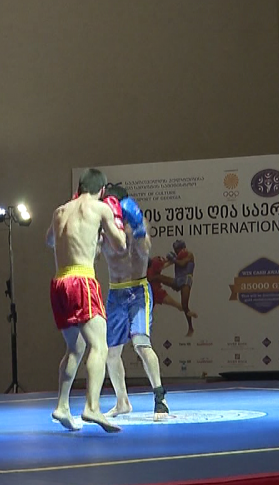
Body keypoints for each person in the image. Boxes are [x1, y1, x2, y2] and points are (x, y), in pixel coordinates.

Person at [45, 168, 127, 432]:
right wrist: (115, 219)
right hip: (82, 281)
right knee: (99, 346)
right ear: (102, 190)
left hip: (59, 282)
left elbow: (49, 240)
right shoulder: (101, 208)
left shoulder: (60, 211)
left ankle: (62, 406)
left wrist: (87, 237)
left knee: (75, 348)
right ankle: (92, 407)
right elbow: (121, 245)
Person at [98, 184, 169, 418]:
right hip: (115, 293)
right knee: (111, 353)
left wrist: (137, 229)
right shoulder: (104, 229)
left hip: (138, 291)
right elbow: (95, 253)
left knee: (141, 344)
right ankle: (122, 402)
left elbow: (145, 249)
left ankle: (160, 399)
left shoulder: (139, 223)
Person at [165, 240, 196, 336]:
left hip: (186, 279)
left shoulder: (189, 254)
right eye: (175, 249)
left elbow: (182, 263)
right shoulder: (176, 256)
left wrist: (174, 259)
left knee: (184, 304)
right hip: (178, 280)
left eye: (177, 249)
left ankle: (190, 327)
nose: (176, 251)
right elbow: (166, 264)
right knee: (159, 277)